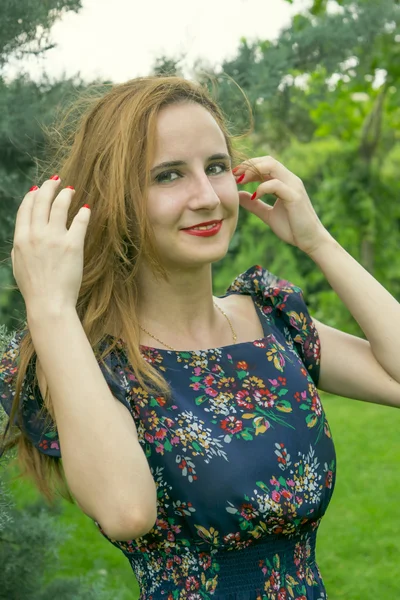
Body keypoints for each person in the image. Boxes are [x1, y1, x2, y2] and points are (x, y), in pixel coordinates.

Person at [0, 75, 399, 600]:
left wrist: (318, 241)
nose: (207, 196)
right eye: (168, 175)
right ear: (116, 198)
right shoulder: (85, 360)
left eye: (215, 167)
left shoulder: (269, 320)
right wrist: (50, 307)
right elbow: (126, 511)